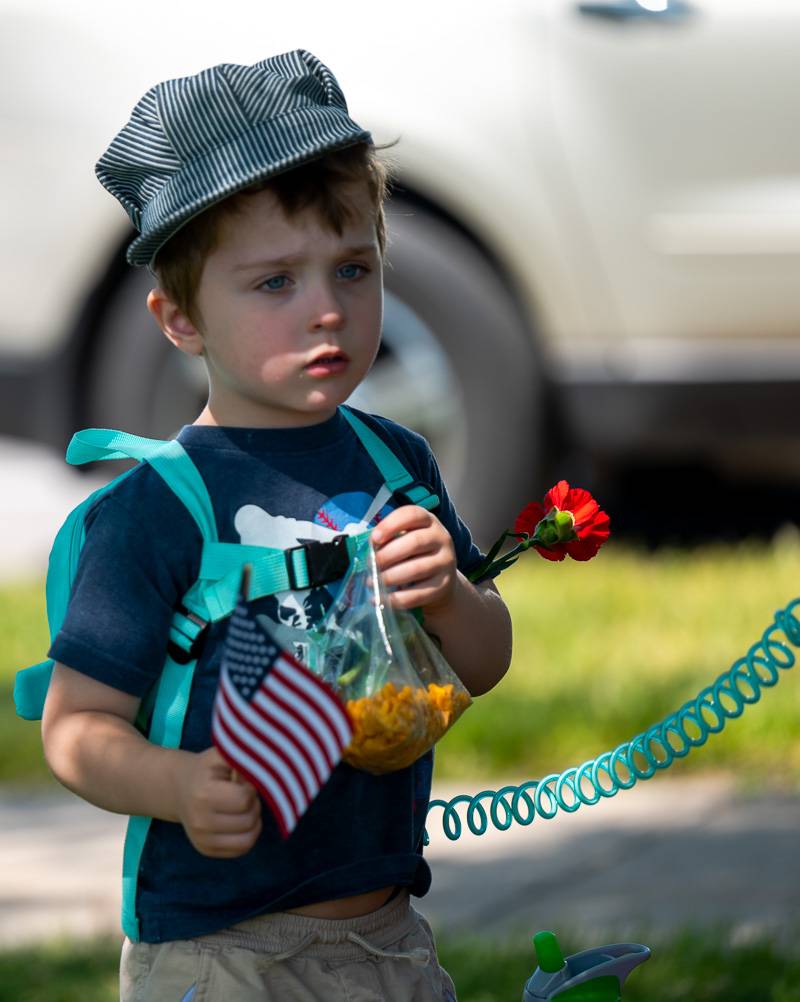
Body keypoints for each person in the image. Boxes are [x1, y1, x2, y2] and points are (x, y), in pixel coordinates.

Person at [40, 50, 512, 1001]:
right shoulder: (156, 512)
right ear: (180, 319)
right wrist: (174, 787)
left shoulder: (398, 464)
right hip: (219, 951)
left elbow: (486, 658)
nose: (328, 309)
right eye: (274, 284)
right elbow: (76, 728)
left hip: (387, 933)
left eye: (353, 268)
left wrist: (453, 595)